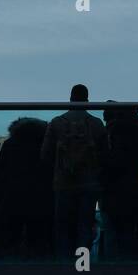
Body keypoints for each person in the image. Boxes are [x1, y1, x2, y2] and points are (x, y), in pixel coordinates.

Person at [41, 84, 109, 260]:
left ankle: (63, 267)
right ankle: (82, 265)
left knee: (62, 226)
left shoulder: (56, 122)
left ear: (70, 99)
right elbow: (105, 155)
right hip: (89, 183)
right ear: (87, 100)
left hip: (63, 183)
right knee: (84, 226)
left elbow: (45, 155)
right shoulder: (96, 123)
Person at [101, 105, 138, 260]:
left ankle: (112, 270)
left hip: (112, 189)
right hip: (134, 189)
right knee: (129, 230)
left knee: (111, 232)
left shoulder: (117, 136)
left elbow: (112, 163)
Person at [0, 116, 53, 259]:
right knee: (38, 241)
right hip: (40, 199)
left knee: (12, 240)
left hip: (14, 198)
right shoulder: (44, 145)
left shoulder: (10, 144)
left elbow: (0, 172)